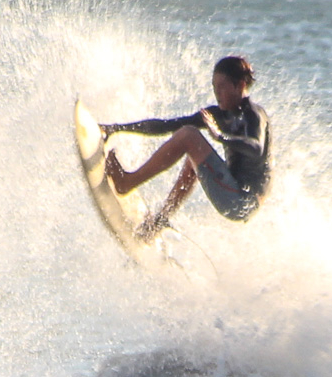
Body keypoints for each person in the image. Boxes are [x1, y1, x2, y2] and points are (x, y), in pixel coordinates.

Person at [102, 56, 271, 240]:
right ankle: (158, 222)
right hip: (233, 192)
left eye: (221, 87)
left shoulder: (254, 115)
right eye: (214, 87)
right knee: (193, 156)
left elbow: (256, 148)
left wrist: (221, 137)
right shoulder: (218, 114)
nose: (217, 93)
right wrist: (116, 128)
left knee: (190, 136)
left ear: (239, 85)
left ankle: (127, 182)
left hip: (243, 201)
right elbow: (167, 125)